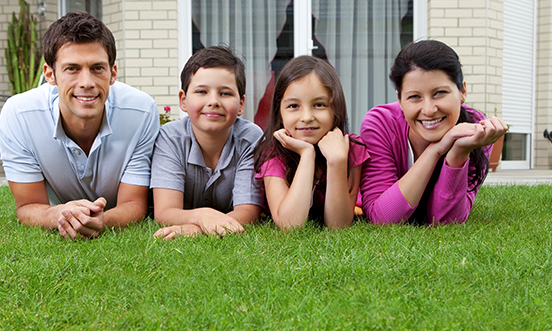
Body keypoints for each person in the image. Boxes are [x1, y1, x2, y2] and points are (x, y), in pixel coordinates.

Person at [0, 11, 159, 239]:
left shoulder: (141, 111)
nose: (87, 83)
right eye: (72, 69)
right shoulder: (19, 114)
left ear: (113, 73)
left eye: (97, 68)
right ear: (50, 74)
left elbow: (133, 202)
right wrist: (62, 215)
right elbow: (28, 206)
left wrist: (103, 221)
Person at [359, 40, 508, 225]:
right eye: (414, 97)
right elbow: (382, 218)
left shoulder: (475, 127)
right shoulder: (380, 123)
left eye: (439, 93)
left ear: (462, 91)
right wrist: (434, 151)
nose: (428, 110)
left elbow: (446, 221)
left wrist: (459, 152)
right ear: (399, 99)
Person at [150, 46, 263, 239]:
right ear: (183, 100)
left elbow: (248, 213)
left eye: (225, 93)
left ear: (241, 104)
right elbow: (165, 212)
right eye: (202, 91)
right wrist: (202, 215)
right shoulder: (170, 138)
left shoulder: (250, 139)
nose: (213, 101)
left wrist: (198, 229)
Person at [254, 56, 368, 230]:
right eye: (293, 106)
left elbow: (338, 225)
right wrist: (307, 154)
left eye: (319, 104)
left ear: (335, 109)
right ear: (280, 112)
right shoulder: (273, 151)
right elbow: (290, 224)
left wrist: (337, 161)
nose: (307, 117)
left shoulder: (350, 147)